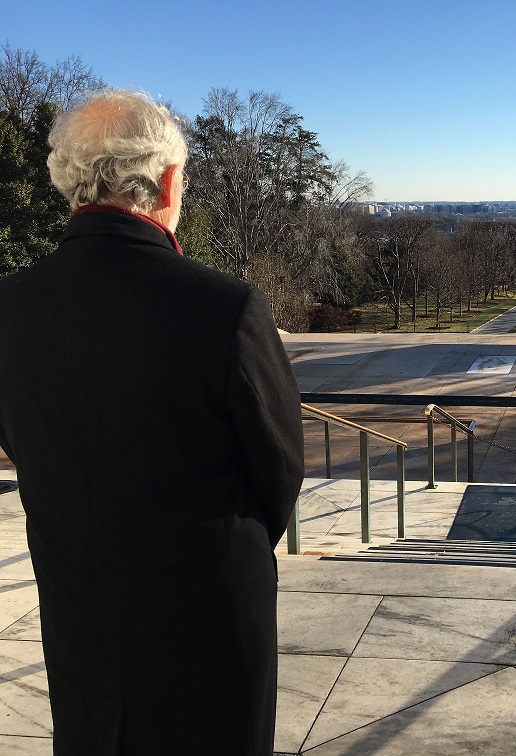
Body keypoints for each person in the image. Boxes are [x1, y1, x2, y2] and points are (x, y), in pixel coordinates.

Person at [0, 91, 304, 754]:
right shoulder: (225, 307)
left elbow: (23, 442)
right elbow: (279, 470)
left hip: (80, 618)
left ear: (67, 181)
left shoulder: (10, 307)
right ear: (168, 181)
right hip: (210, 625)